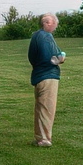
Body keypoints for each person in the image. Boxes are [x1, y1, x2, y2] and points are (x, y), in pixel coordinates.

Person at [28, 13, 64, 147]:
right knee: (47, 108)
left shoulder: (36, 36)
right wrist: (60, 59)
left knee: (39, 108)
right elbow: (51, 58)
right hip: (49, 76)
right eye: (55, 24)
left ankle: (39, 137)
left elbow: (32, 57)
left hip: (38, 75)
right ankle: (45, 139)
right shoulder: (47, 37)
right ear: (47, 23)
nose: (55, 27)